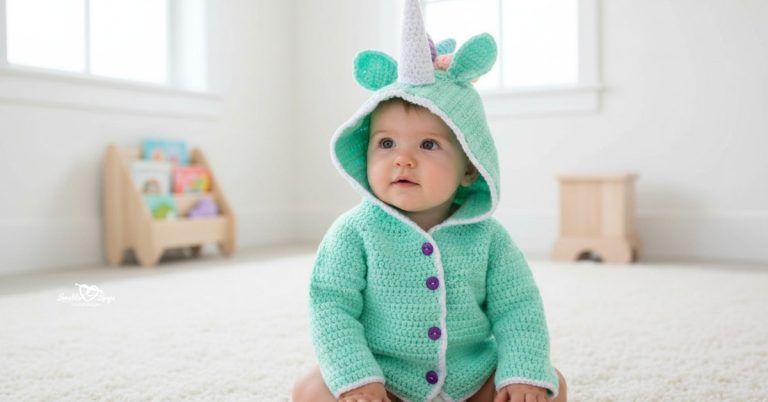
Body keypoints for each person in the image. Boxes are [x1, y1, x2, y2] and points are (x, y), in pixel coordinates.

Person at [293, 1, 567, 401]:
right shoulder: (353, 232)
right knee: (310, 389)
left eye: (428, 145)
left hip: (469, 375)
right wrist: (357, 377)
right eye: (386, 143)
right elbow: (331, 308)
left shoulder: (489, 238)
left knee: (550, 385)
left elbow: (519, 309)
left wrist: (520, 371)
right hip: (384, 379)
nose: (402, 158)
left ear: (470, 167)